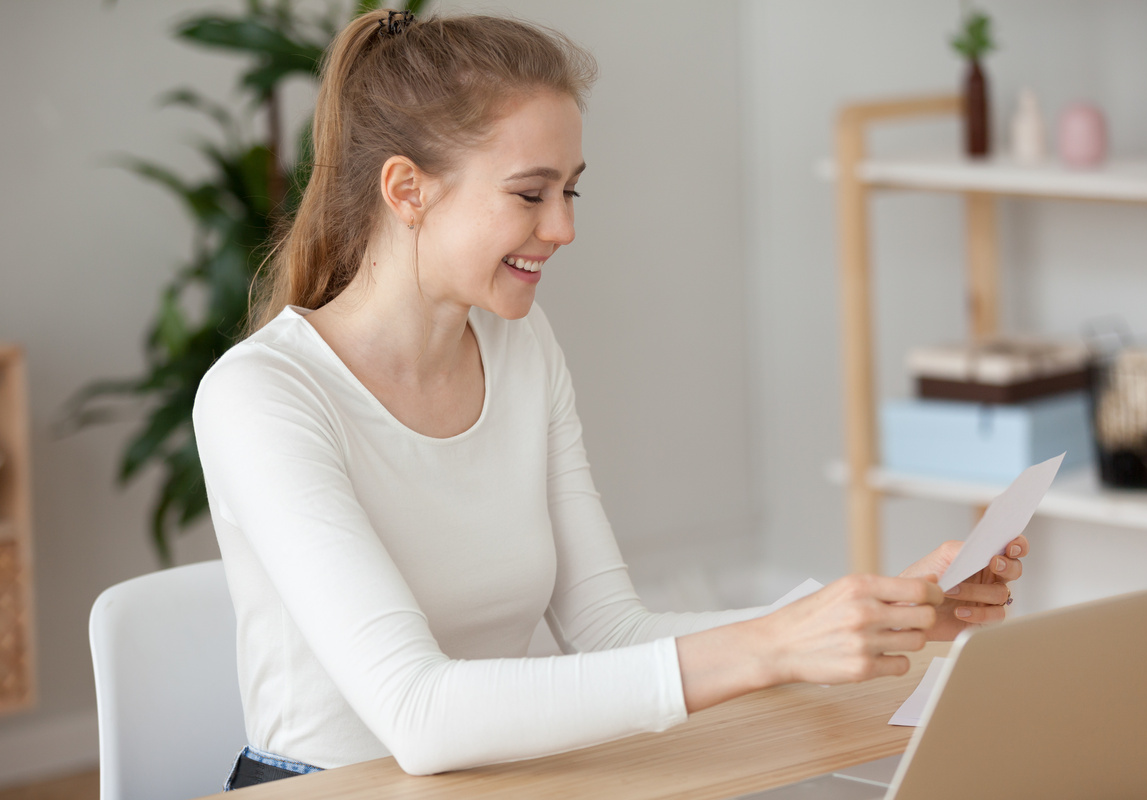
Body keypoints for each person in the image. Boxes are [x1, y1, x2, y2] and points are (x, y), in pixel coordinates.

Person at [193, 9, 1026, 789]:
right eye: (530, 193)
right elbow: (419, 714)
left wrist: (867, 617)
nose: (563, 228)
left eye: (571, 191)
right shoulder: (263, 397)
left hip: (496, 783)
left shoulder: (522, 349)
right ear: (407, 190)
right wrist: (773, 646)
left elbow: (611, 633)